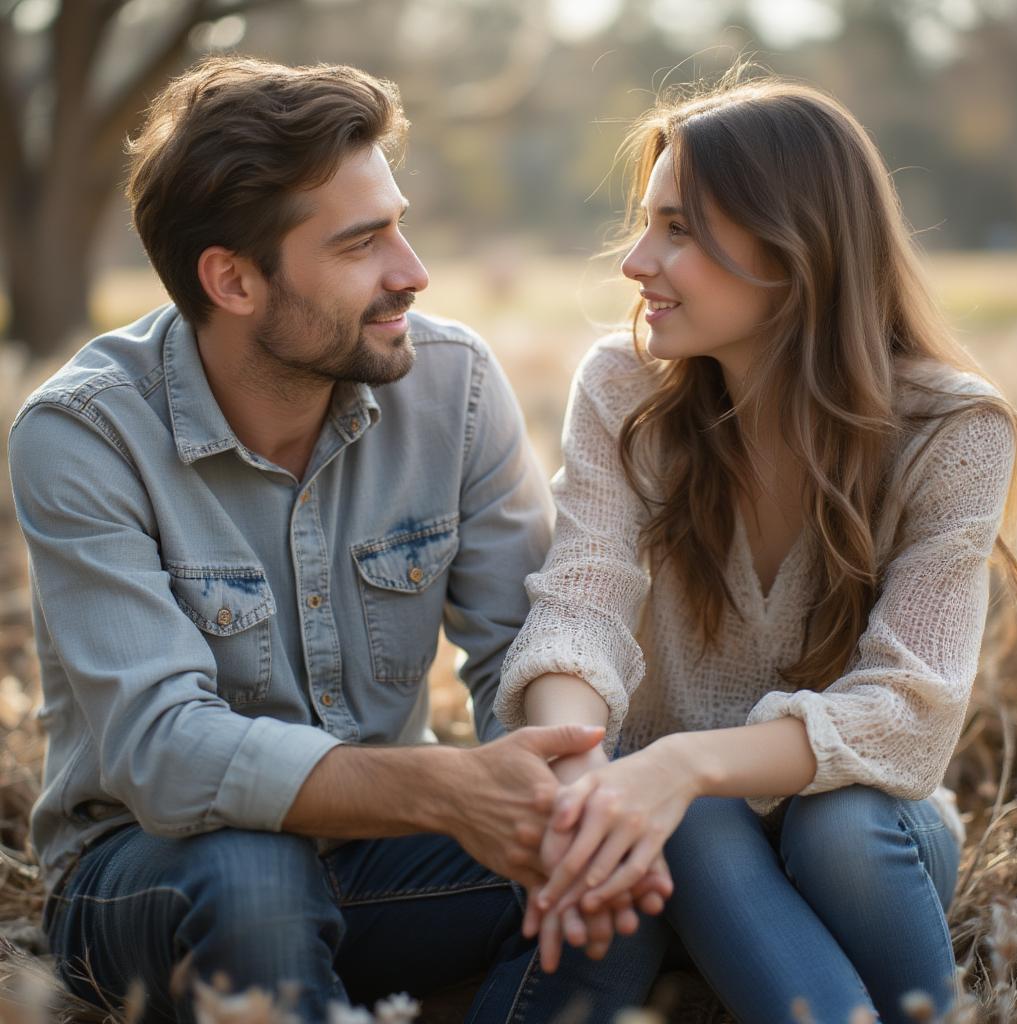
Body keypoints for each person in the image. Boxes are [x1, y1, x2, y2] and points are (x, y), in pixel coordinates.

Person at [8, 57, 669, 1024]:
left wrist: (571, 803)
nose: (413, 271)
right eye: (363, 244)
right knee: (255, 870)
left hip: (381, 852)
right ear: (231, 279)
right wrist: (446, 790)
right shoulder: (85, 435)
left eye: (398, 225)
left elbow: (525, 650)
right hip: (152, 871)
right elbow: (165, 753)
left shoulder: (454, 386)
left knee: (639, 856)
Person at [496, 73, 1017, 1022]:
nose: (636, 262)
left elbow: (908, 712)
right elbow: (580, 604)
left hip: (872, 833)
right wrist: (588, 789)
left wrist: (677, 763)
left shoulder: (953, 429)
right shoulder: (629, 390)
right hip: (681, 828)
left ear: (795, 248)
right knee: (693, 816)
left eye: (680, 229)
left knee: (842, 823)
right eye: (647, 222)